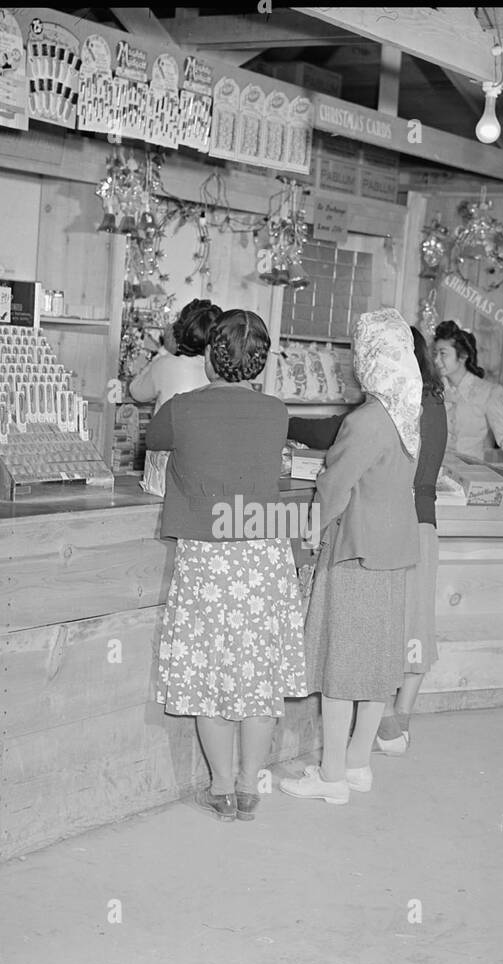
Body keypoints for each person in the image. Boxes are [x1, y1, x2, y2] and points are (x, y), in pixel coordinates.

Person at [147, 310, 307, 823]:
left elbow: (153, 439)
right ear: (259, 362)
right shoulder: (276, 412)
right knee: (258, 677)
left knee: (207, 672)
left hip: (207, 554)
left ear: (210, 358)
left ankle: (219, 788)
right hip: (264, 551)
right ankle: (248, 785)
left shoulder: (182, 409)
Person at [279, 308, 421, 805]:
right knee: (376, 667)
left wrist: (312, 530)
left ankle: (332, 774)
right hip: (394, 551)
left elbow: (334, 487)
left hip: (355, 552)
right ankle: (358, 763)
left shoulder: (365, 421)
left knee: (340, 666)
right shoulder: (407, 415)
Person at [129, 298, 222, 496]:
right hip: (207, 475)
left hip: (164, 476)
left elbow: (136, 391)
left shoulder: (166, 364)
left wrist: (164, 351)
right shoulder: (220, 373)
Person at [433, 319, 503, 468]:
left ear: (463, 356)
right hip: (436, 471)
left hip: (470, 472)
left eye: (443, 354)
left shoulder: (488, 392)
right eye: (435, 354)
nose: (436, 360)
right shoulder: (433, 390)